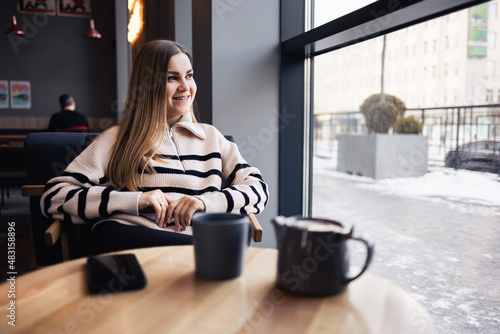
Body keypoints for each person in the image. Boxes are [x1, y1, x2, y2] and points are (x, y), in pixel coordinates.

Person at [40, 40, 269, 255]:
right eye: (172, 78)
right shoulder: (118, 138)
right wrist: (136, 200)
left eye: (188, 75)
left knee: (218, 250)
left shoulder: (212, 137)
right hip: (128, 244)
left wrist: (205, 202)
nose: (185, 86)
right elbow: (54, 197)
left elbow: (258, 190)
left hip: (193, 247)